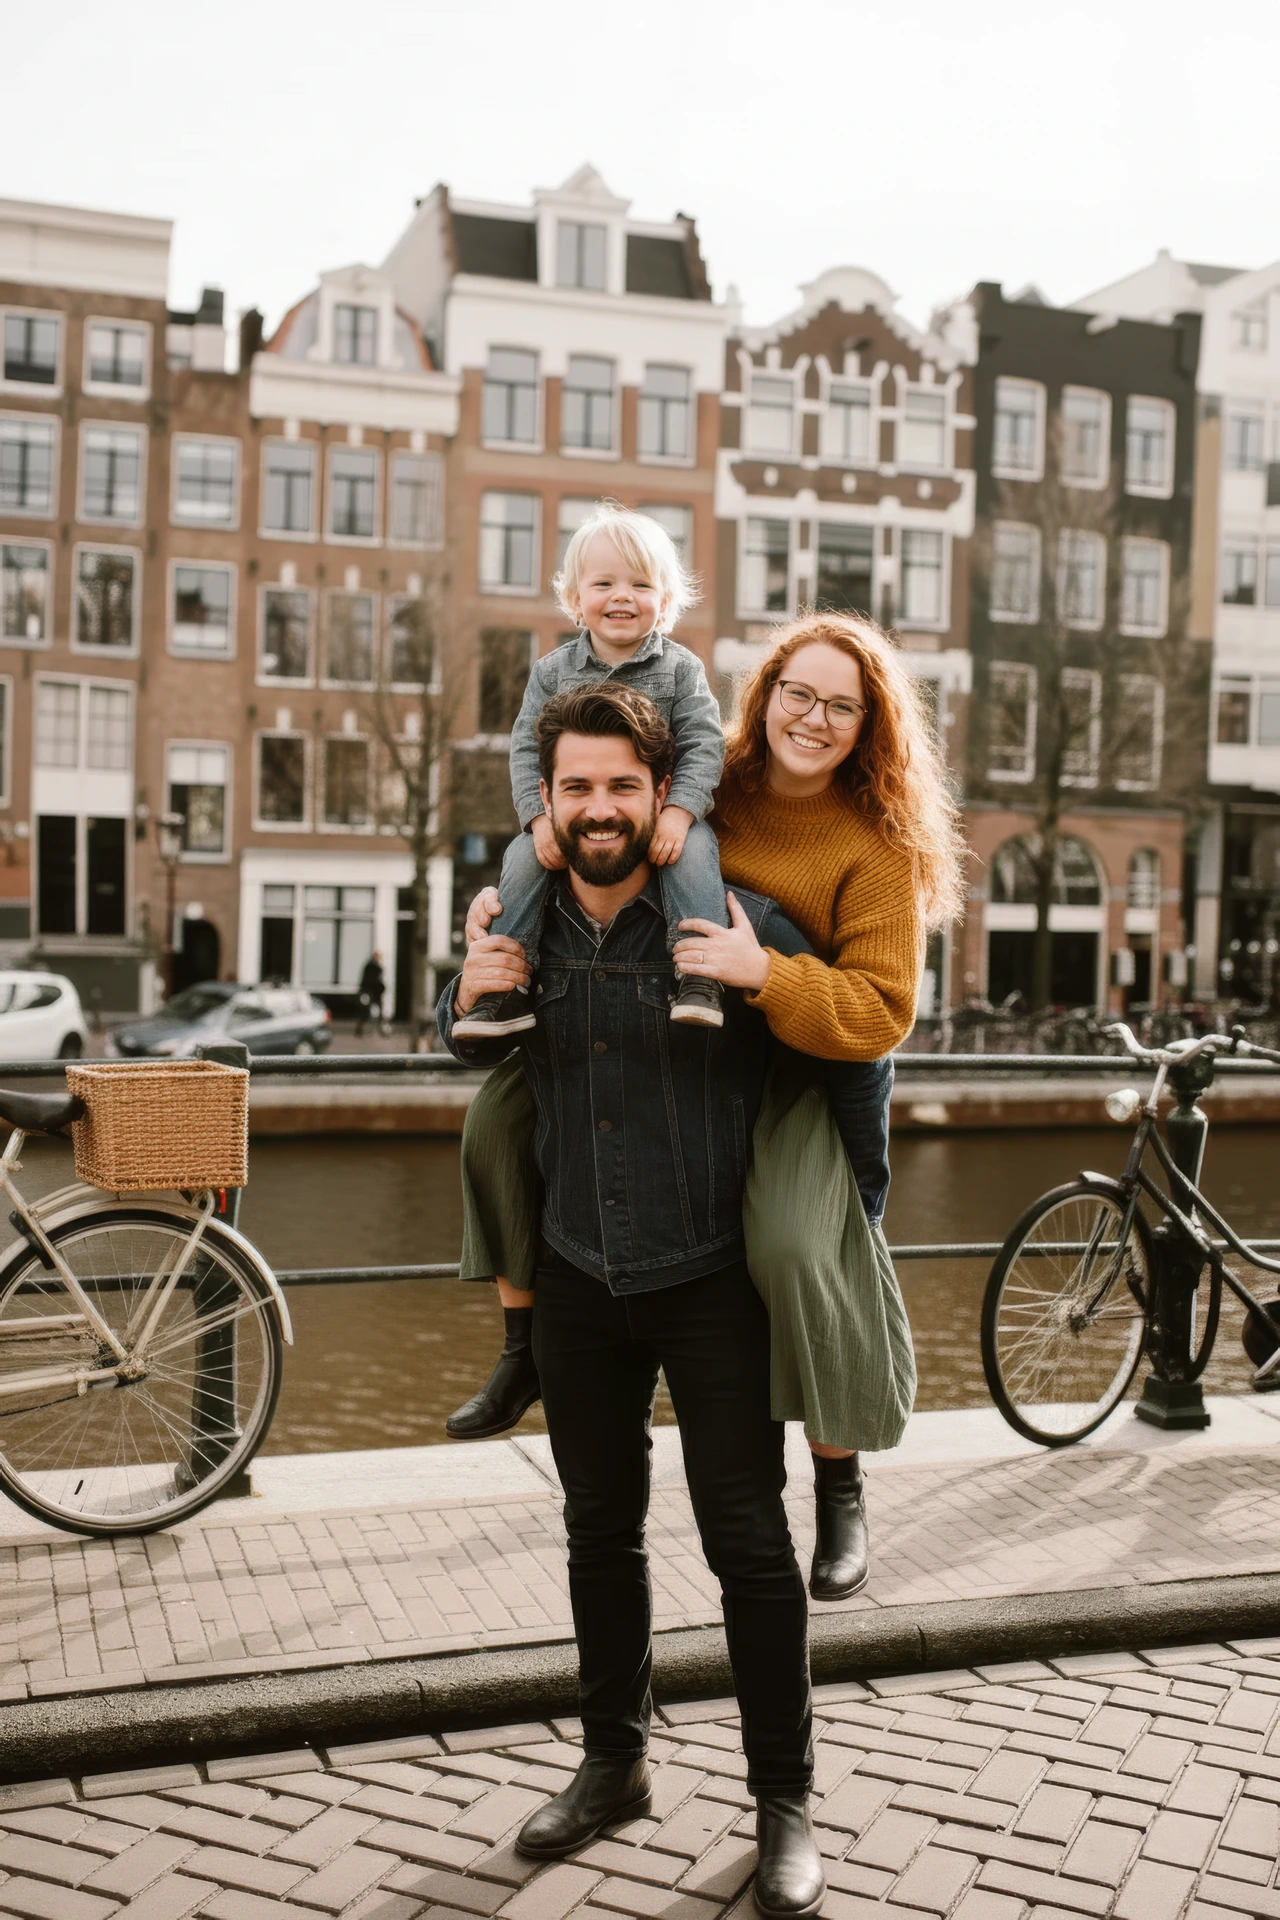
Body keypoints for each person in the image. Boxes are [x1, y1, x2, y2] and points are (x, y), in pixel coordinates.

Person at [449, 612, 962, 1601]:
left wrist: (761, 971)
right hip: (685, 1047)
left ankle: (838, 1479)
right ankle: (521, 1349)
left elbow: (880, 1011)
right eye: (796, 694)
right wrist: (506, 909)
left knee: (794, 1249)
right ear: (764, 694)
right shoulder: (703, 780)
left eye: (841, 706)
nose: (812, 719)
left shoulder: (875, 847)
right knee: (499, 1129)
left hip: (804, 1064)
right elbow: (600, 835)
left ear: (869, 726)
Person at [438, 683, 825, 1918]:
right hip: (573, 1280)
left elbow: (848, 1052)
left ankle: (783, 1802)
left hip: (710, 1284)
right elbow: (474, 1060)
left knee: (749, 1551)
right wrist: (459, 1001)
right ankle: (614, 1765)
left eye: (620, 786)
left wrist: (774, 977)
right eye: (575, 788)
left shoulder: (735, 922)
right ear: (543, 805)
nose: (597, 808)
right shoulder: (517, 932)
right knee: (595, 1538)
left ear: (661, 800)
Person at [451, 502, 729, 1041]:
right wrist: (538, 821)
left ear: (665, 603)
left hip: (662, 811)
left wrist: (679, 812)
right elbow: (525, 751)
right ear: (576, 600)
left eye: (641, 584)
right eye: (604, 583)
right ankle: (503, 986)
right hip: (567, 818)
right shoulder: (552, 671)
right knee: (520, 858)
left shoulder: (682, 668)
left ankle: (699, 974)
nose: (622, 595)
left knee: (695, 852)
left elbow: (703, 743)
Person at [355, 951, 386, 1037]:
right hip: (370, 992)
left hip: (374, 993)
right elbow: (372, 980)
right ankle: (360, 1029)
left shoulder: (372, 966)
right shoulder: (372, 966)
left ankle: (361, 1029)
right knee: (365, 1011)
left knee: (370, 1011)